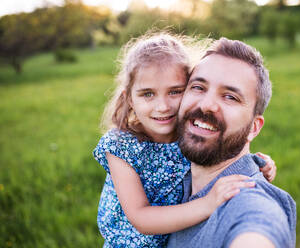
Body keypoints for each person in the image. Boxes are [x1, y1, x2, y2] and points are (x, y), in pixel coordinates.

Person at [93, 33, 277, 247]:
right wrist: (207, 204)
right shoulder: (121, 147)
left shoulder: (187, 135)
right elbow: (141, 218)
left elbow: (218, 148)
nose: (162, 106)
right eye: (148, 94)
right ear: (130, 100)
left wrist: (257, 164)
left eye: (175, 91)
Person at [167, 38, 296, 248]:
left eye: (230, 97)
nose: (207, 105)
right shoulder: (170, 176)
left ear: (254, 128)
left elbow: (257, 229)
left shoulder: (251, 204)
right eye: (198, 87)